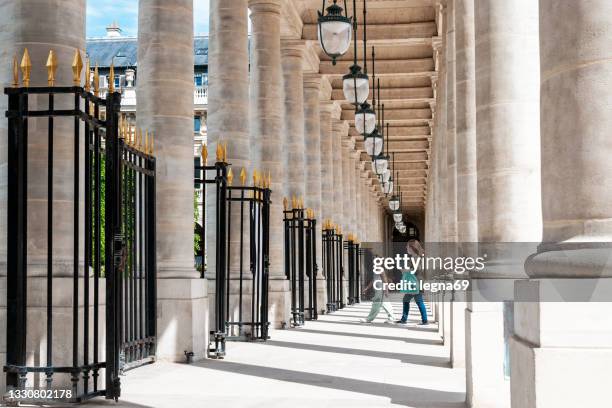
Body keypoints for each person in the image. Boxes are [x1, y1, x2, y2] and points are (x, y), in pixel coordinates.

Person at [397, 239, 428, 325]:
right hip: (415, 282)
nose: (406, 247)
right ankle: (404, 319)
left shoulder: (416, 257)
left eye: (407, 246)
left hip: (416, 283)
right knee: (407, 300)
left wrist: (405, 270)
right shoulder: (415, 257)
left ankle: (424, 320)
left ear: (412, 247)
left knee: (418, 301)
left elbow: (417, 269)